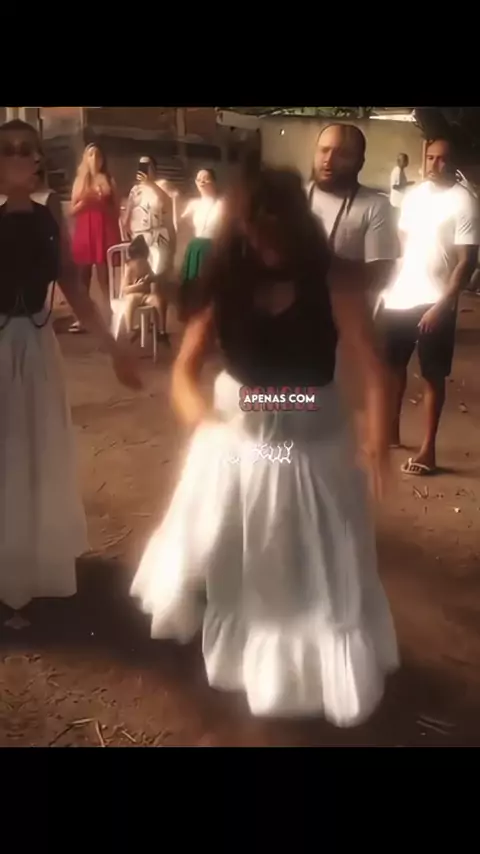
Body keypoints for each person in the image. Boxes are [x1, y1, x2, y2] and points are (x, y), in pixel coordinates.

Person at [130, 166, 398, 727]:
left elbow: (374, 370)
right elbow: (184, 373)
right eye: (259, 228)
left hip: (315, 442)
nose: (270, 240)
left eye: (280, 227)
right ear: (243, 227)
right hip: (244, 441)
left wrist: (378, 440)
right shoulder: (226, 283)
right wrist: (204, 424)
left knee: (322, 563)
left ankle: (315, 668)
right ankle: (260, 663)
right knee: (251, 559)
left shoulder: (331, 282)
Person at [0, 119, 141, 628]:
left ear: (38, 159)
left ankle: (22, 574)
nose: (18, 157)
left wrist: (114, 347)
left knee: (30, 454)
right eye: (7, 149)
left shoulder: (49, 213)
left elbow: (73, 287)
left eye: (26, 149)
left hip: (36, 349)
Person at [379, 137, 480, 475]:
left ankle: (428, 451)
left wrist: (444, 303)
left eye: (443, 159)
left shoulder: (464, 201)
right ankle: (391, 433)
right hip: (400, 295)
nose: (436, 164)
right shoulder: (414, 196)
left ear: (454, 162)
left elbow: (466, 261)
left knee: (432, 375)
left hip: (436, 299)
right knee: (392, 367)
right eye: (431, 158)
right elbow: (402, 243)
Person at [307, 123, 398, 311]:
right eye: (324, 150)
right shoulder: (294, 197)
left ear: (359, 162)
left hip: (346, 320)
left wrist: (319, 260)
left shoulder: (376, 206)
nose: (328, 160)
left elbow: (380, 275)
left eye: (341, 154)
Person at [123, 156, 176, 343]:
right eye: (141, 166)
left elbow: (168, 204)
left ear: (154, 167)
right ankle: (142, 326)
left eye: (148, 165)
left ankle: (161, 328)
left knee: (157, 280)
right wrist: (127, 234)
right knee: (141, 279)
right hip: (140, 237)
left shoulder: (162, 185)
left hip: (157, 236)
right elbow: (127, 215)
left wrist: (151, 184)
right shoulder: (135, 190)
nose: (145, 169)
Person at [70, 143, 121, 333]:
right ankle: (81, 318)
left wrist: (102, 203)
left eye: (98, 155)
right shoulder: (79, 181)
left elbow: (116, 211)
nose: (95, 159)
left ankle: (110, 316)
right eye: (91, 155)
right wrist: (85, 202)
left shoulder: (108, 179)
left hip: (103, 232)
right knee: (82, 277)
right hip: (85, 232)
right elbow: (72, 211)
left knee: (105, 278)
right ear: (85, 158)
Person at [179, 168, 223, 319]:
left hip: (213, 246)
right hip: (196, 247)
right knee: (193, 286)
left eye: (206, 178)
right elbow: (178, 222)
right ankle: (194, 317)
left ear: (214, 181)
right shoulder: (194, 204)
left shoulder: (221, 204)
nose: (202, 182)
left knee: (210, 287)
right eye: (198, 179)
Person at [119, 235, 162, 337]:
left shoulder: (146, 264)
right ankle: (130, 328)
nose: (140, 261)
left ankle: (160, 329)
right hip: (133, 294)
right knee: (130, 301)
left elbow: (153, 277)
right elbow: (125, 289)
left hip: (146, 295)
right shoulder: (129, 267)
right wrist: (138, 286)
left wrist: (150, 278)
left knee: (158, 300)